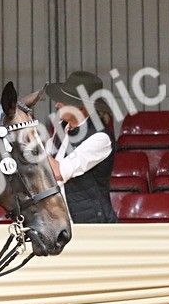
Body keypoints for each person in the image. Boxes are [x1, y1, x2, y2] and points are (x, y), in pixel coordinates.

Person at [45, 70, 119, 223]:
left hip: (90, 224)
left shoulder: (101, 138)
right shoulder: (61, 129)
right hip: (63, 223)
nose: (57, 104)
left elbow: (58, 172)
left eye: (64, 101)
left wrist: (30, 139)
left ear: (81, 108)